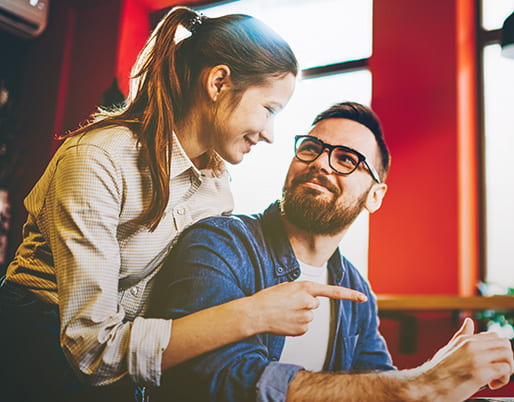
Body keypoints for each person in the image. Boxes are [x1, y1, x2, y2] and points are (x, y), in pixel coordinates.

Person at [0, 7, 366, 402]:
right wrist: (254, 314)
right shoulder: (97, 159)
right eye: (269, 110)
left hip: (123, 366)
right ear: (219, 82)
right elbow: (92, 350)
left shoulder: (217, 188)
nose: (270, 134)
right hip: (36, 347)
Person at [149, 101, 514, 402]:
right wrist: (418, 385)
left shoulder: (355, 289)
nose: (321, 163)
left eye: (346, 159)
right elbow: (210, 382)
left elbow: (377, 383)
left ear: (375, 196)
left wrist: (445, 380)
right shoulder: (220, 243)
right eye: (311, 148)